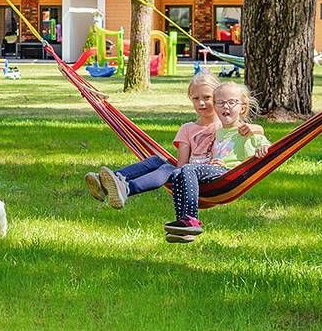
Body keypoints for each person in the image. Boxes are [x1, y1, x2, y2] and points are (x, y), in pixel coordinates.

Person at [84, 73, 223, 209]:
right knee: (156, 160)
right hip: (187, 175)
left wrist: (245, 128)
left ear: (218, 98)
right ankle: (113, 179)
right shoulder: (187, 129)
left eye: (207, 97)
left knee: (168, 168)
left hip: (210, 178)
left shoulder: (226, 127)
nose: (201, 103)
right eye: (196, 98)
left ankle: (125, 188)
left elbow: (237, 141)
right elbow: (182, 164)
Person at [164, 81, 270, 243]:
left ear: (242, 108)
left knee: (187, 170)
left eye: (231, 102)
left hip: (230, 174)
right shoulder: (219, 129)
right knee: (178, 172)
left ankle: (191, 218)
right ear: (215, 106)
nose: (225, 107)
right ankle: (184, 227)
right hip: (214, 172)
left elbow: (266, 148)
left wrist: (263, 149)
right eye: (220, 103)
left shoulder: (246, 131)